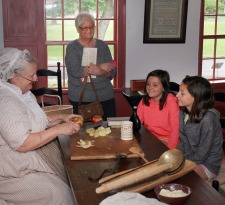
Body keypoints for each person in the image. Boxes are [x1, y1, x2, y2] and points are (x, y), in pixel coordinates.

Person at [0, 48, 82, 205]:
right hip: (13, 170)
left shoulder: (23, 92)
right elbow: (23, 143)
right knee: (60, 196)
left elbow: (35, 121)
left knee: (70, 182)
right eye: (31, 76)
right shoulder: (6, 101)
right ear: (13, 76)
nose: (36, 79)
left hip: (28, 161)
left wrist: (60, 117)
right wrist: (58, 130)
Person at [65, 12, 117, 121]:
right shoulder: (72, 48)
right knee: (82, 134)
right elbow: (75, 70)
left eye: (91, 27)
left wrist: (100, 71)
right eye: (84, 28)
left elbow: (112, 72)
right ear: (78, 29)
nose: (89, 30)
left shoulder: (102, 46)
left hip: (105, 95)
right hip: (82, 96)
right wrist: (99, 66)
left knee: (109, 131)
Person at [176, 76, 223, 180]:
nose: (177, 95)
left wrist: (182, 162)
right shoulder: (183, 112)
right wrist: (175, 155)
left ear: (196, 97)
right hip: (190, 158)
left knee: (179, 178)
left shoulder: (208, 119)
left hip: (208, 164)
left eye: (182, 93)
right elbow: (184, 141)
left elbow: (203, 154)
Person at [137, 69, 180, 149]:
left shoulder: (171, 101)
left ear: (164, 87)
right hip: (150, 138)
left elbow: (176, 128)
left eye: (155, 85)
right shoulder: (144, 100)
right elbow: (137, 123)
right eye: (148, 84)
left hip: (167, 139)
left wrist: (170, 149)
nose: (150, 88)